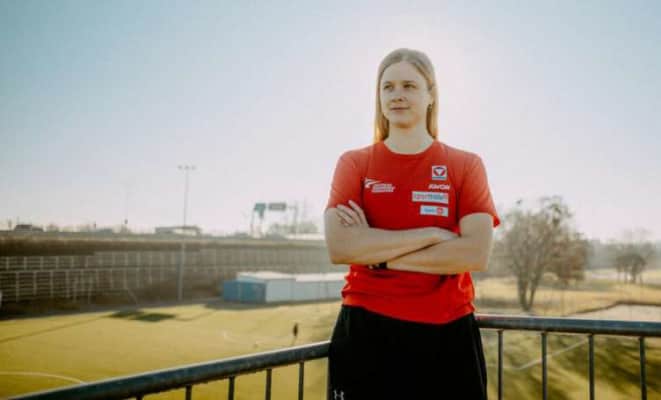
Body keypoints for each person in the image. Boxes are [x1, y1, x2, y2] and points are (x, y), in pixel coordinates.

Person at [324, 48, 500, 400]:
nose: (397, 95)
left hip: (448, 335)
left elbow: (475, 254)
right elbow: (340, 247)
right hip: (366, 329)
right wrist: (431, 235)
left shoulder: (465, 165)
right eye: (387, 87)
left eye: (409, 86)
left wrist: (378, 256)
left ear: (431, 95)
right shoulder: (355, 163)